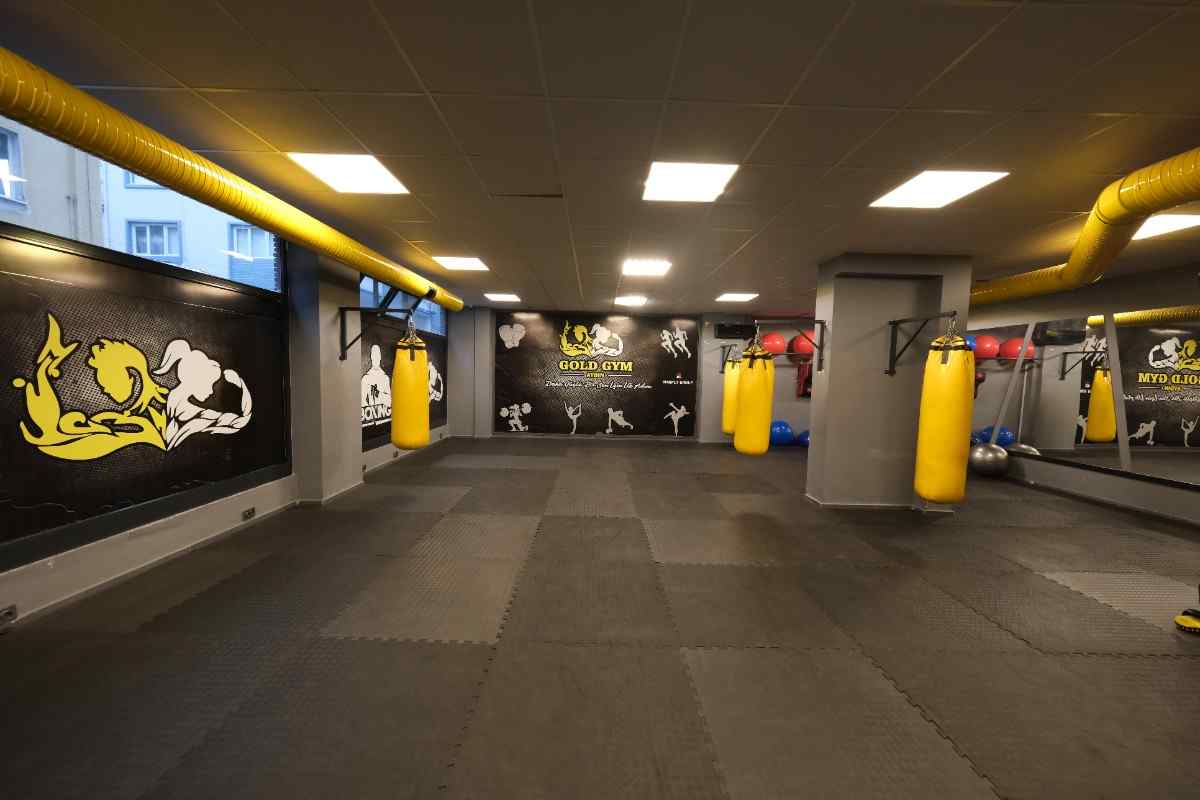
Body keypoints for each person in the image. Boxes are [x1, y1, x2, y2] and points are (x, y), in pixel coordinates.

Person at [153, 339, 252, 449]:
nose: (211, 391)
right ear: (193, 378)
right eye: (209, 383)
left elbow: (239, 422)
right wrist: (240, 384)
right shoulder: (199, 415)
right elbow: (241, 421)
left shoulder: (198, 413)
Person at [361, 344, 391, 420]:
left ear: (380, 357)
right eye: (374, 356)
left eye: (377, 356)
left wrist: (378, 394)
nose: (376, 358)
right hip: (370, 420)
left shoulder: (385, 378)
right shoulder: (365, 379)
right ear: (371, 357)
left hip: (384, 418)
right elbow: (362, 402)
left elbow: (389, 401)